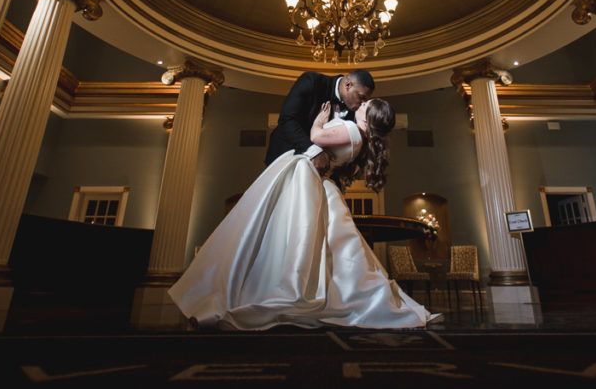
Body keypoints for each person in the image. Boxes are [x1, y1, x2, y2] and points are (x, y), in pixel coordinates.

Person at [168, 95, 443, 330]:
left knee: (292, 235)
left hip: (306, 175)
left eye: (366, 103)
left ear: (369, 115)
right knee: (318, 243)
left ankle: (288, 290)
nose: (361, 102)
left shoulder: (352, 131)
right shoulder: (358, 137)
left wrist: (321, 118)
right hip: (316, 178)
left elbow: (315, 137)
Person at [264, 70, 374, 176]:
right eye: (361, 97)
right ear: (348, 85)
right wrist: (314, 151)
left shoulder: (355, 110)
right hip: (284, 157)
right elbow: (286, 119)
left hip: (320, 173)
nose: (363, 104)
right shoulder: (311, 82)